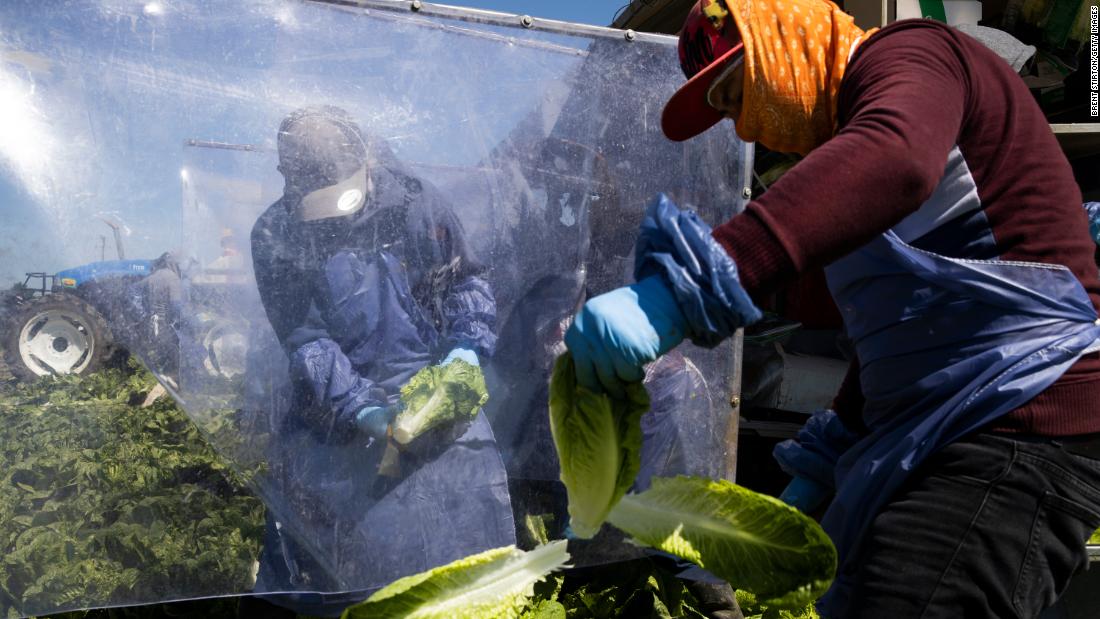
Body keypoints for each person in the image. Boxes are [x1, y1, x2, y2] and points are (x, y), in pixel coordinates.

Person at [564, 0, 1100, 617]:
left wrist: (684, 289)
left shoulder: (914, 54)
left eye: (736, 94)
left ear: (787, 37)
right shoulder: (857, 170)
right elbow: (898, 343)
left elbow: (895, 160)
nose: (741, 130)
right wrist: (817, 471)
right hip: (954, 425)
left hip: (1021, 426)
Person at [245, 106, 514, 617]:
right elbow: (307, 341)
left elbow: (464, 281)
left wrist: (465, 351)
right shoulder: (275, 235)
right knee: (328, 565)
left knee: (465, 554)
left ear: (365, 166)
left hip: (436, 395)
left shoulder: (416, 203)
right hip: (333, 417)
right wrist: (364, 411)